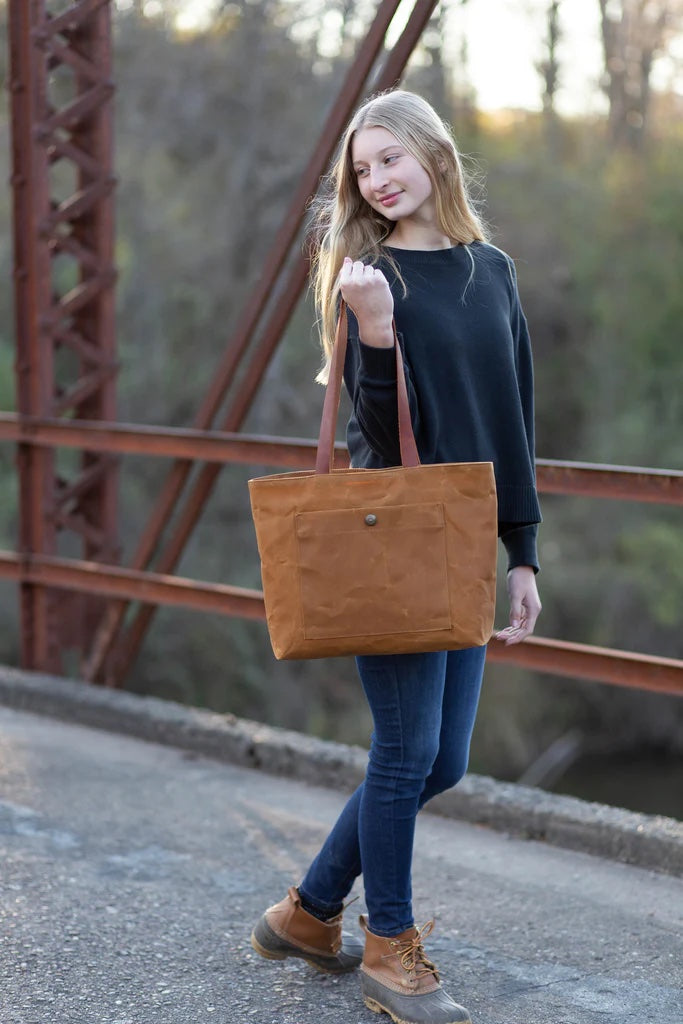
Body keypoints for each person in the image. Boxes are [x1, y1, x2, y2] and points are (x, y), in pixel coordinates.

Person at [250, 89, 542, 1024]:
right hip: (394, 538)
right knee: (406, 749)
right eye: (362, 168)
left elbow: (512, 423)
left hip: (463, 539)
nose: (375, 181)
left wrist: (522, 555)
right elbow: (375, 438)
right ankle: (390, 946)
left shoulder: (489, 271)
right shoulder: (365, 275)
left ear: (435, 157)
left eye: (389, 160)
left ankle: (307, 911)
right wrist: (372, 332)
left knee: (442, 762)